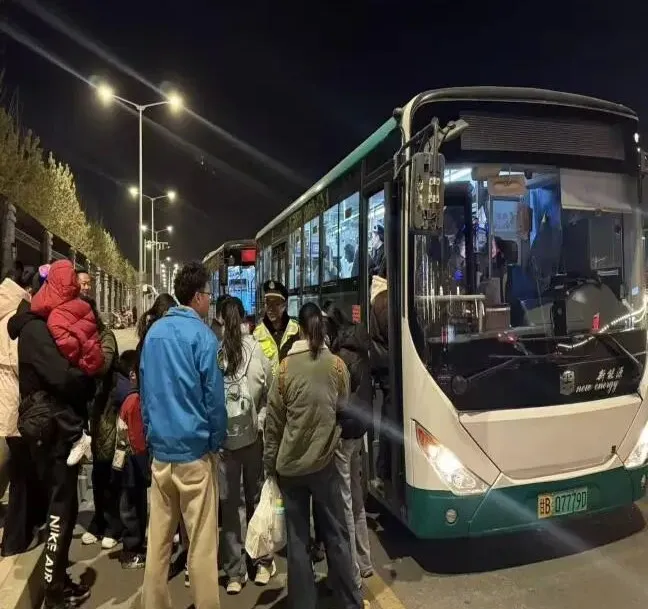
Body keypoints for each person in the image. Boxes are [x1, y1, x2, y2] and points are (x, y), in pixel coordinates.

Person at [264, 302, 364, 609]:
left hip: (290, 470)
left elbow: (273, 424)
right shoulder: (336, 366)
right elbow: (342, 404)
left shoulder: (284, 369)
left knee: (297, 542)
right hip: (324, 465)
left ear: (300, 331)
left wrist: (269, 466)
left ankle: (303, 603)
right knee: (336, 534)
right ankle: (350, 601)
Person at [140, 261, 226, 609]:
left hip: (162, 453)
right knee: (202, 544)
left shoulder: (154, 334)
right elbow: (214, 400)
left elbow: (146, 393)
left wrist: (152, 435)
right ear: (197, 297)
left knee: (158, 542)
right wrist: (215, 442)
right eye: (208, 294)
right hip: (195, 454)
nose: (210, 300)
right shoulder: (204, 337)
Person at [8, 270, 95, 609]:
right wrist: (85, 381)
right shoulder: (35, 330)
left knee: (64, 508)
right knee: (60, 511)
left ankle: (57, 580)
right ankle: (55, 593)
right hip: (51, 431)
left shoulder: (40, 325)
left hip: (52, 428)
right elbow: (61, 376)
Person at [217, 296, 275, 594]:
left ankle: (234, 573)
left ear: (219, 319)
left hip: (224, 443)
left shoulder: (216, 353)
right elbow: (270, 390)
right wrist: (261, 417)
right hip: (253, 437)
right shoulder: (257, 350)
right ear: (243, 319)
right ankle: (262, 562)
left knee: (231, 506)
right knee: (256, 499)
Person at [30, 260, 104, 466]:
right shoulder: (83, 306)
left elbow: (67, 346)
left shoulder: (55, 314)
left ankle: (78, 438)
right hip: (89, 366)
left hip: (75, 369)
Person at [323, 301, 373, 585]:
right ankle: (365, 562)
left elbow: (336, 400)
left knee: (344, 504)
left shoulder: (338, 358)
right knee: (357, 499)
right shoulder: (360, 348)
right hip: (359, 432)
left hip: (343, 434)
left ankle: (352, 570)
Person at [0, 266, 49, 558]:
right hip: (15, 405)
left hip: (4, 402)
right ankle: (14, 541)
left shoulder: (3, 306)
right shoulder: (18, 313)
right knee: (20, 476)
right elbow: (21, 363)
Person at [81, 299, 123, 550]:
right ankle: (99, 520)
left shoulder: (105, 336)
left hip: (108, 411)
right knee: (97, 470)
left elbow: (103, 365)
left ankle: (112, 524)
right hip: (92, 413)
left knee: (109, 468)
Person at [114, 349, 149, 569]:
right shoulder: (135, 400)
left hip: (126, 459)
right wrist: (145, 463)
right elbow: (136, 436)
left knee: (131, 503)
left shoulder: (130, 398)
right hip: (133, 460)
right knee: (133, 506)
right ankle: (131, 551)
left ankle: (133, 547)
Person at [369, 267, 390, 489]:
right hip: (389, 371)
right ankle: (385, 472)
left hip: (384, 369)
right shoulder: (385, 300)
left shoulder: (380, 297)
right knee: (390, 422)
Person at [253, 280, 299, 374]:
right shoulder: (257, 333)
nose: (271, 309)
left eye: (276, 304)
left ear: (284, 306)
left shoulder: (296, 330)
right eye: (268, 303)